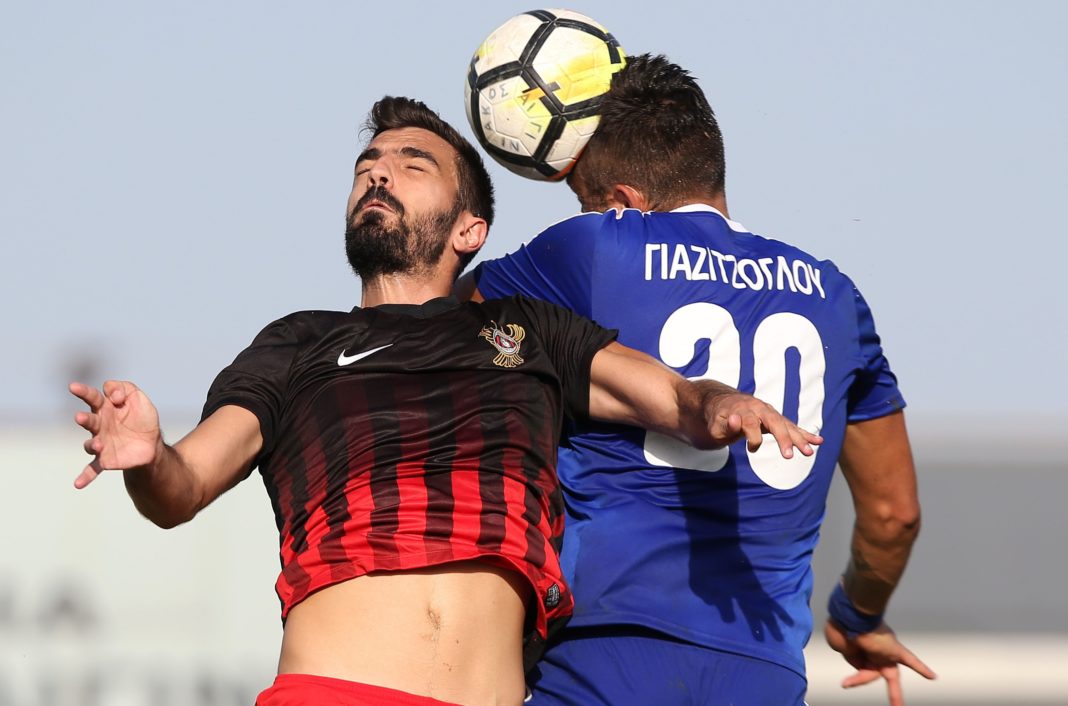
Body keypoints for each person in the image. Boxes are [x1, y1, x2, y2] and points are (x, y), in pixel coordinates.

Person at [69, 96, 820, 706]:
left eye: (411, 163)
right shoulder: (298, 343)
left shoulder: (527, 330)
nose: (378, 173)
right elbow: (182, 487)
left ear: (471, 229)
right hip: (335, 693)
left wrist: (720, 404)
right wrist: (150, 457)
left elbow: (674, 397)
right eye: (367, 165)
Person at [466, 55, 936, 706]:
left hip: (606, 649)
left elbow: (440, 319)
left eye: (586, 202)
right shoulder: (836, 297)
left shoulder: (595, 247)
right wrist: (858, 616)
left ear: (621, 203)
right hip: (763, 669)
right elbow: (893, 515)